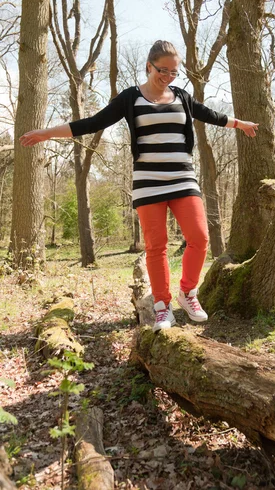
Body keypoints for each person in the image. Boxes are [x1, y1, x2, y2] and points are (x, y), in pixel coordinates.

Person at [20, 40, 258, 331]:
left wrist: (240, 124)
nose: (168, 76)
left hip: (183, 177)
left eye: (174, 72)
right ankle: (162, 307)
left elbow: (211, 115)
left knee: (199, 237)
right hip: (147, 182)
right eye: (163, 70)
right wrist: (47, 133)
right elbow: (93, 123)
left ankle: (187, 293)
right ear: (149, 66)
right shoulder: (131, 98)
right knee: (156, 247)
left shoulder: (181, 96)